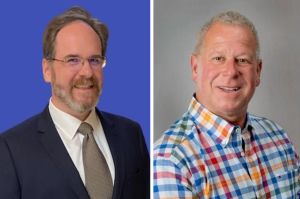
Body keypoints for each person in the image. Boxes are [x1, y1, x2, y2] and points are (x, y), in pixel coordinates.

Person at [0, 6, 149, 199]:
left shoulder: (131, 134)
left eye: (94, 60)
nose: (87, 72)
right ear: (47, 70)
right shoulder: (11, 149)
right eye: (72, 60)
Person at [154, 11, 299, 198]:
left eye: (242, 60)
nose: (231, 71)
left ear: (258, 71)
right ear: (195, 67)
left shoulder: (278, 137)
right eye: (218, 58)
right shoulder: (171, 161)